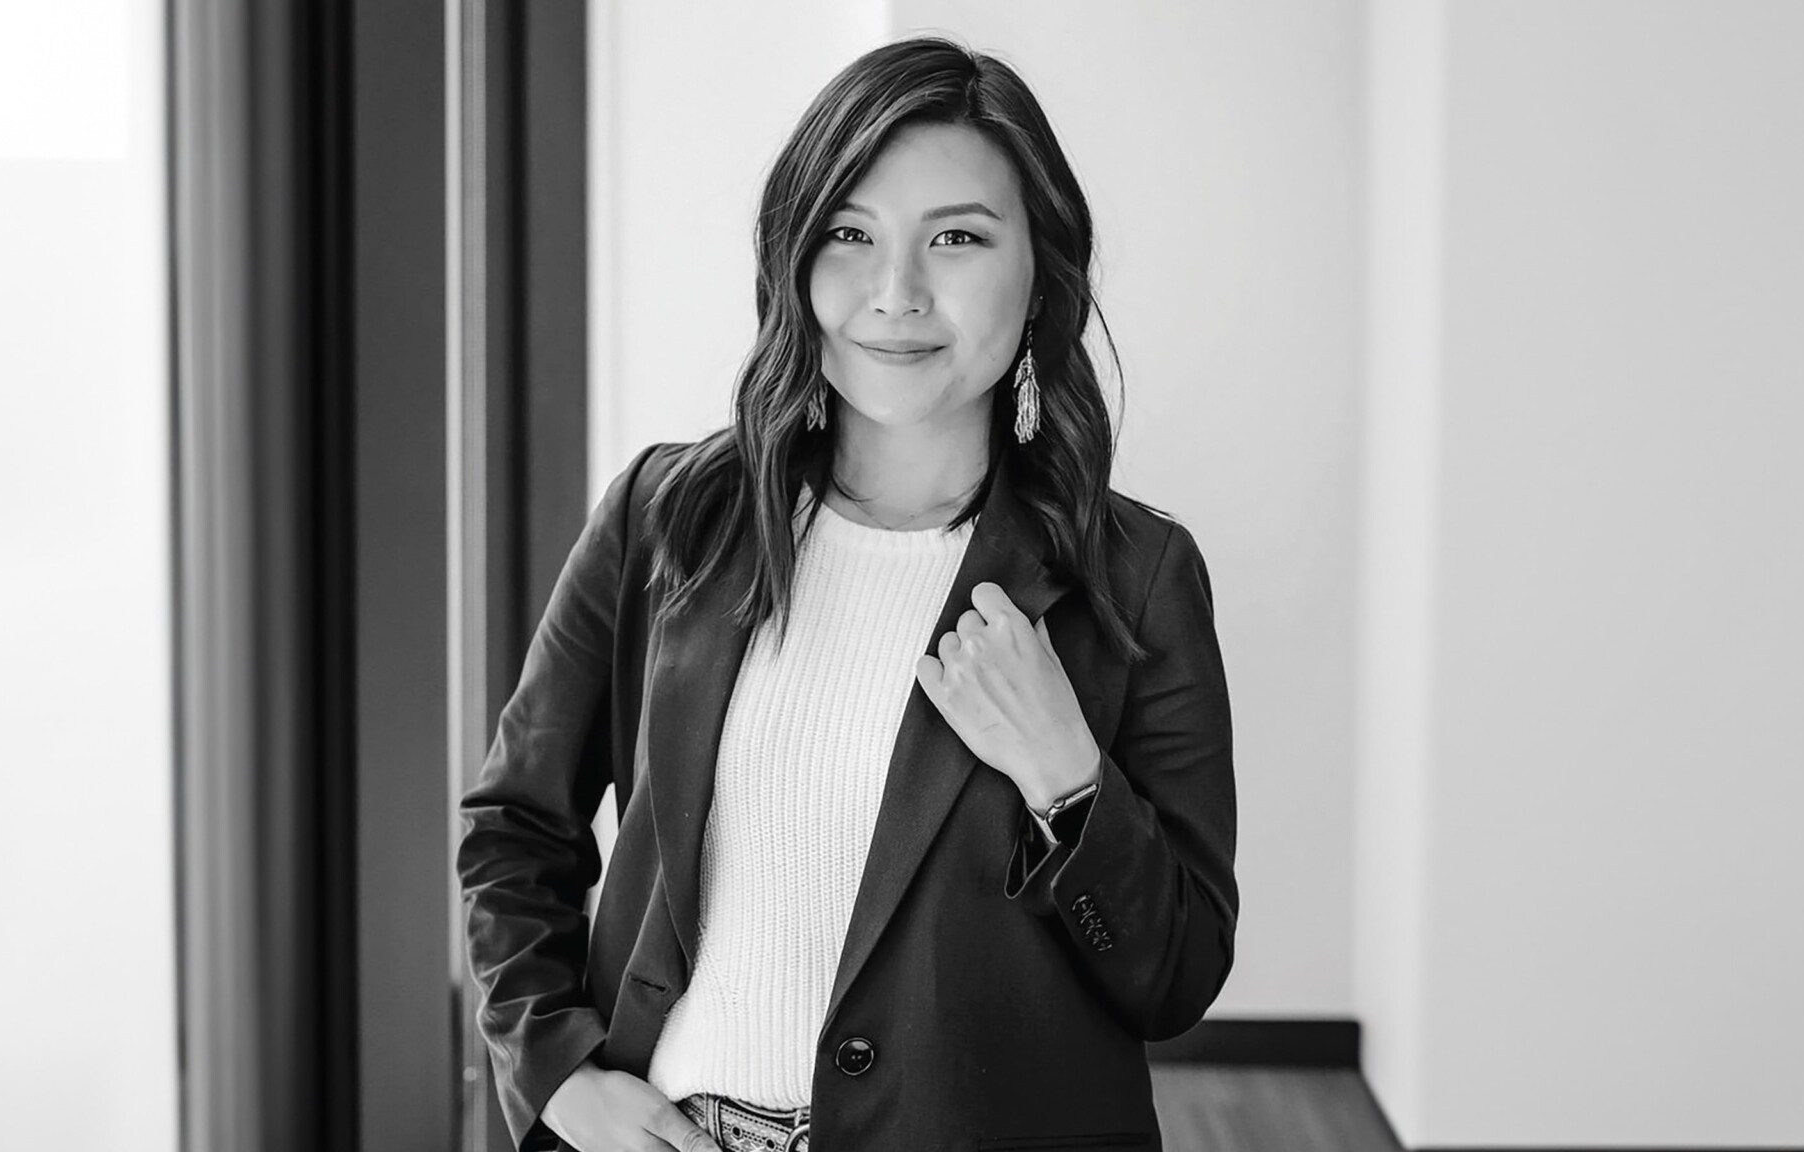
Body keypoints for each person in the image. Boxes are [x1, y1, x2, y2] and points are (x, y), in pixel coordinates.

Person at [457, 34, 1237, 1152]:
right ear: (794, 259)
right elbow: (514, 832)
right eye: (849, 234)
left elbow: (1176, 973)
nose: (895, 293)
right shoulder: (663, 519)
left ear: (1041, 269)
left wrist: (1068, 779)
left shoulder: (1135, 578)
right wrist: (557, 1071)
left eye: (956, 238)